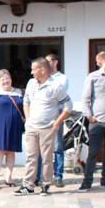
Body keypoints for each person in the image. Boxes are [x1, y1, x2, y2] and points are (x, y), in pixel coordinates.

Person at [15, 58, 72, 196]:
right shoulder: (31, 83)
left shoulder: (55, 86)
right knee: (31, 157)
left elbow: (68, 106)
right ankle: (28, 186)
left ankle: (45, 185)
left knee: (47, 158)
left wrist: (57, 122)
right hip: (31, 128)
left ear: (43, 70)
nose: (31, 72)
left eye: (34, 69)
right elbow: (26, 102)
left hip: (47, 128)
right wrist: (28, 120)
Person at [77, 52, 105, 192]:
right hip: (97, 121)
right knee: (93, 153)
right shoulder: (93, 77)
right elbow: (85, 99)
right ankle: (87, 182)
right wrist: (89, 116)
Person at [45, 53, 68, 187]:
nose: (47, 64)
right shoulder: (43, 78)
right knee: (44, 146)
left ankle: (58, 175)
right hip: (44, 114)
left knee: (58, 146)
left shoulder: (62, 78)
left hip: (57, 113)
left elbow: (58, 94)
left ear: (55, 62)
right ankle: (44, 175)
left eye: (49, 61)